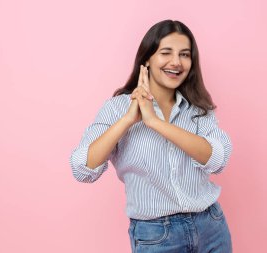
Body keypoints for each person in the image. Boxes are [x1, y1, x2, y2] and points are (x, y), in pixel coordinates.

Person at [70, 20, 232, 253]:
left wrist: (154, 122)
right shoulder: (117, 109)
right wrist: (127, 120)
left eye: (184, 54)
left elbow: (218, 159)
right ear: (147, 59)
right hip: (156, 235)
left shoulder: (198, 109)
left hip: (211, 227)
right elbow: (82, 169)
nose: (176, 62)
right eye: (166, 52)